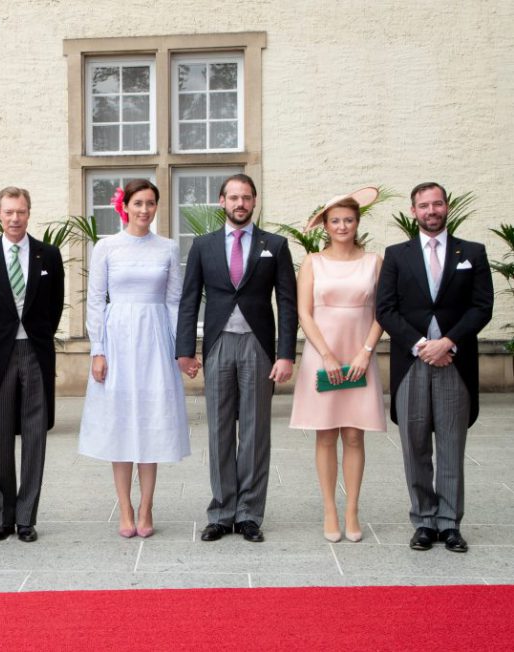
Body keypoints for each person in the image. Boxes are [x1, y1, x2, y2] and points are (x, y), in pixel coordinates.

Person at [175, 174, 297, 543]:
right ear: (221, 201)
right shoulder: (203, 245)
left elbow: (287, 303)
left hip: (258, 345)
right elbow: (189, 299)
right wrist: (185, 350)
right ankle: (221, 511)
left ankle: (249, 514)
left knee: (257, 430)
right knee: (219, 428)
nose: (239, 203)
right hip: (217, 345)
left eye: (246, 197)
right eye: (233, 197)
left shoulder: (274, 245)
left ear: (255, 202)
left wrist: (286, 353)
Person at [376, 182, 493, 553]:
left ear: (447, 207)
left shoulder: (472, 252)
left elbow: (481, 306)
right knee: (414, 444)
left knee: (452, 443)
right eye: (424, 205)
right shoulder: (397, 255)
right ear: (413, 211)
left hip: (454, 361)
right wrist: (422, 345)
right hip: (412, 362)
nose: (431, 210)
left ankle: (450, 523)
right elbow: (385, 309)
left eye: (437, 204)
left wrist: (449, 341)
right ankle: (424, 520)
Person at [78, 179, 190, 538]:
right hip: (118, 339)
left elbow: (174, 301)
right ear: (125, 205)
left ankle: (147, 506)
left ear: (157, 207)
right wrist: (98, 350)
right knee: (121, 422)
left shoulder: (168, 248)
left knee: (152, 420)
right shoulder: (107, 246)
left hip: (155, 338)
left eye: (150, 203)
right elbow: (96, 300)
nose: (144, 209)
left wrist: (179, 347)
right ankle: (125, 505)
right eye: (138, 203)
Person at [0, 186, 65, 543]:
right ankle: (2, 518)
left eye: (20, 211)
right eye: (8, 212)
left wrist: (36, 336)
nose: (14, 218)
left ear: (29, 213)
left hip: (36, 352)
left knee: (35, 436)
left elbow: (55, 305)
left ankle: (26, 518)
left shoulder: (48, 255)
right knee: (0, 438)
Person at [288, 188, 386, 543]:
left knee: (356, 434)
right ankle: (330, 509)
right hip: (322, 353)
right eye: (335, 221)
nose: (342, 226)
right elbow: (303, 312)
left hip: (360, 354)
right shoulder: (313, 262)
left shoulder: (374, 262)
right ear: (325, 226)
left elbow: (382, 311)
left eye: (348, 220)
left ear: (357, 223)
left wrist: (365, 352)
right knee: (326, 433)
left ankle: (352, 509)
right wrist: (327, 356)